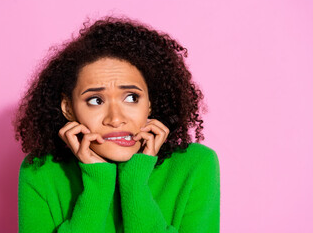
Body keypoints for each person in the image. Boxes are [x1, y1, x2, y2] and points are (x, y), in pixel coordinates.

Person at [14, 16, 220, 233]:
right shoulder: (40, 172)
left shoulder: (195, 165)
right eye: (96, 100)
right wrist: (97, 184)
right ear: (68, 108)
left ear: (149, 104)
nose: (115, 119)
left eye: (131, 98)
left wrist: (135, 185)